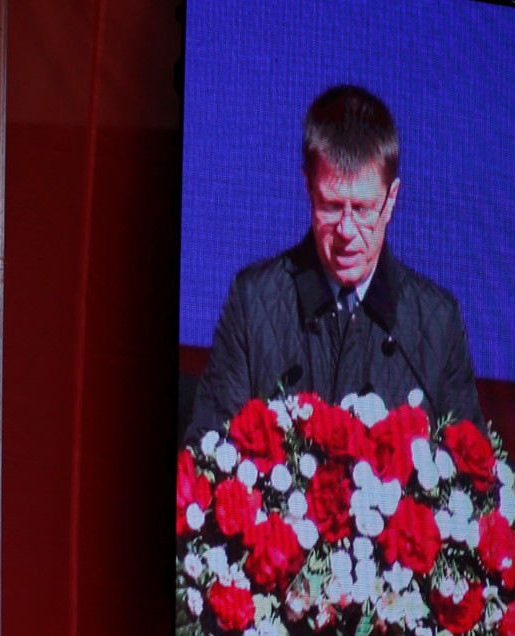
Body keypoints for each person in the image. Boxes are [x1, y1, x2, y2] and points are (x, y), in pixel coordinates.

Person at [187, 84, 484, 440]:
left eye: (362, 209)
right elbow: (206, 447)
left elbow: (471, 465)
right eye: (330, 206)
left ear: (391, 199)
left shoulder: (438, 321)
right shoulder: (253, 302)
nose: (346, 230)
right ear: (308, 188)